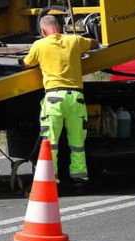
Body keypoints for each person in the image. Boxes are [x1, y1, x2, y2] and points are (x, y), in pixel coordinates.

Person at [21, 13, 100, 186]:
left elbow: (26, 64)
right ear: (59, 27)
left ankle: (51, 179)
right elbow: (95, 44)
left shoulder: (39, 45)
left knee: (51, 143)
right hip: (75, 98)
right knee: (77, 142)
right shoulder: (75, 40)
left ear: (43, 30)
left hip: (54, 99)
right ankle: (79, 178)